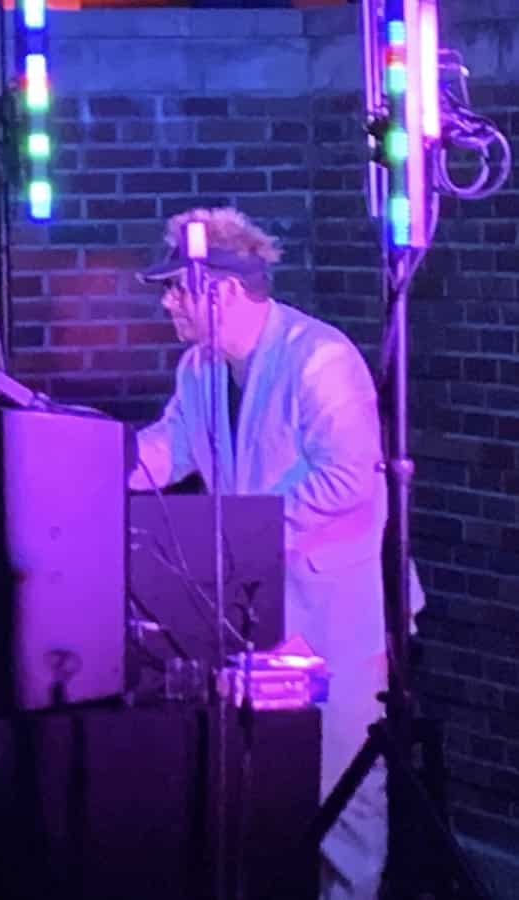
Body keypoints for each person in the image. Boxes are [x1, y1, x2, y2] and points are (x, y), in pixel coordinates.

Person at [129, 206, 418, 900]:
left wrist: (248, 528)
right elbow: (169, 447)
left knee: (345, 788)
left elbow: (346, 476)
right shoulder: (199, 367)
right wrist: (88, 469)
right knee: (272, 790)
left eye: (176, 286)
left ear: (221, 291)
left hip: (339, 614)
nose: (167, 300)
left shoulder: (321, 359)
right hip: (261, 613)